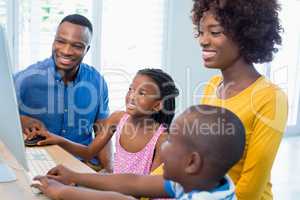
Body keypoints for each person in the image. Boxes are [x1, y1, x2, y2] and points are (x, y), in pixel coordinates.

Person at [32, 105, 246, 200]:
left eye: (170, 143)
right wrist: (75, 176)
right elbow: (133, 182)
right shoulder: (201, 180)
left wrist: (62, 193)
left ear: (192, 163)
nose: (163, 147)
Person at [192, 0, 288, 199]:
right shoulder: (211, 87)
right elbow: (192, 152)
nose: (203, 40)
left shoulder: (270, 98)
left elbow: (250, 189)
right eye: (201, 32)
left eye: (215, 32)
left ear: (245, 35)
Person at [31, 68, 179, 175]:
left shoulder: (161, 140)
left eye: (141, 93)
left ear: (157, 105)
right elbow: (89, 153)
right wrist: (58, 140)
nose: (132, 96)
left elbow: (149, 189)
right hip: (116, 192)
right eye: (131, 89)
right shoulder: (117, 119)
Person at [14, 14, 112, 171]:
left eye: (77, 46)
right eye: (60, 41)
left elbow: (102, 132)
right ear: (54, 41)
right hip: (40, 162)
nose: (66, 51)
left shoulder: (97, 82)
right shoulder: (26, 79)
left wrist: (108, 169)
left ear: (87, 49)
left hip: (82, 164)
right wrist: (20, 119)